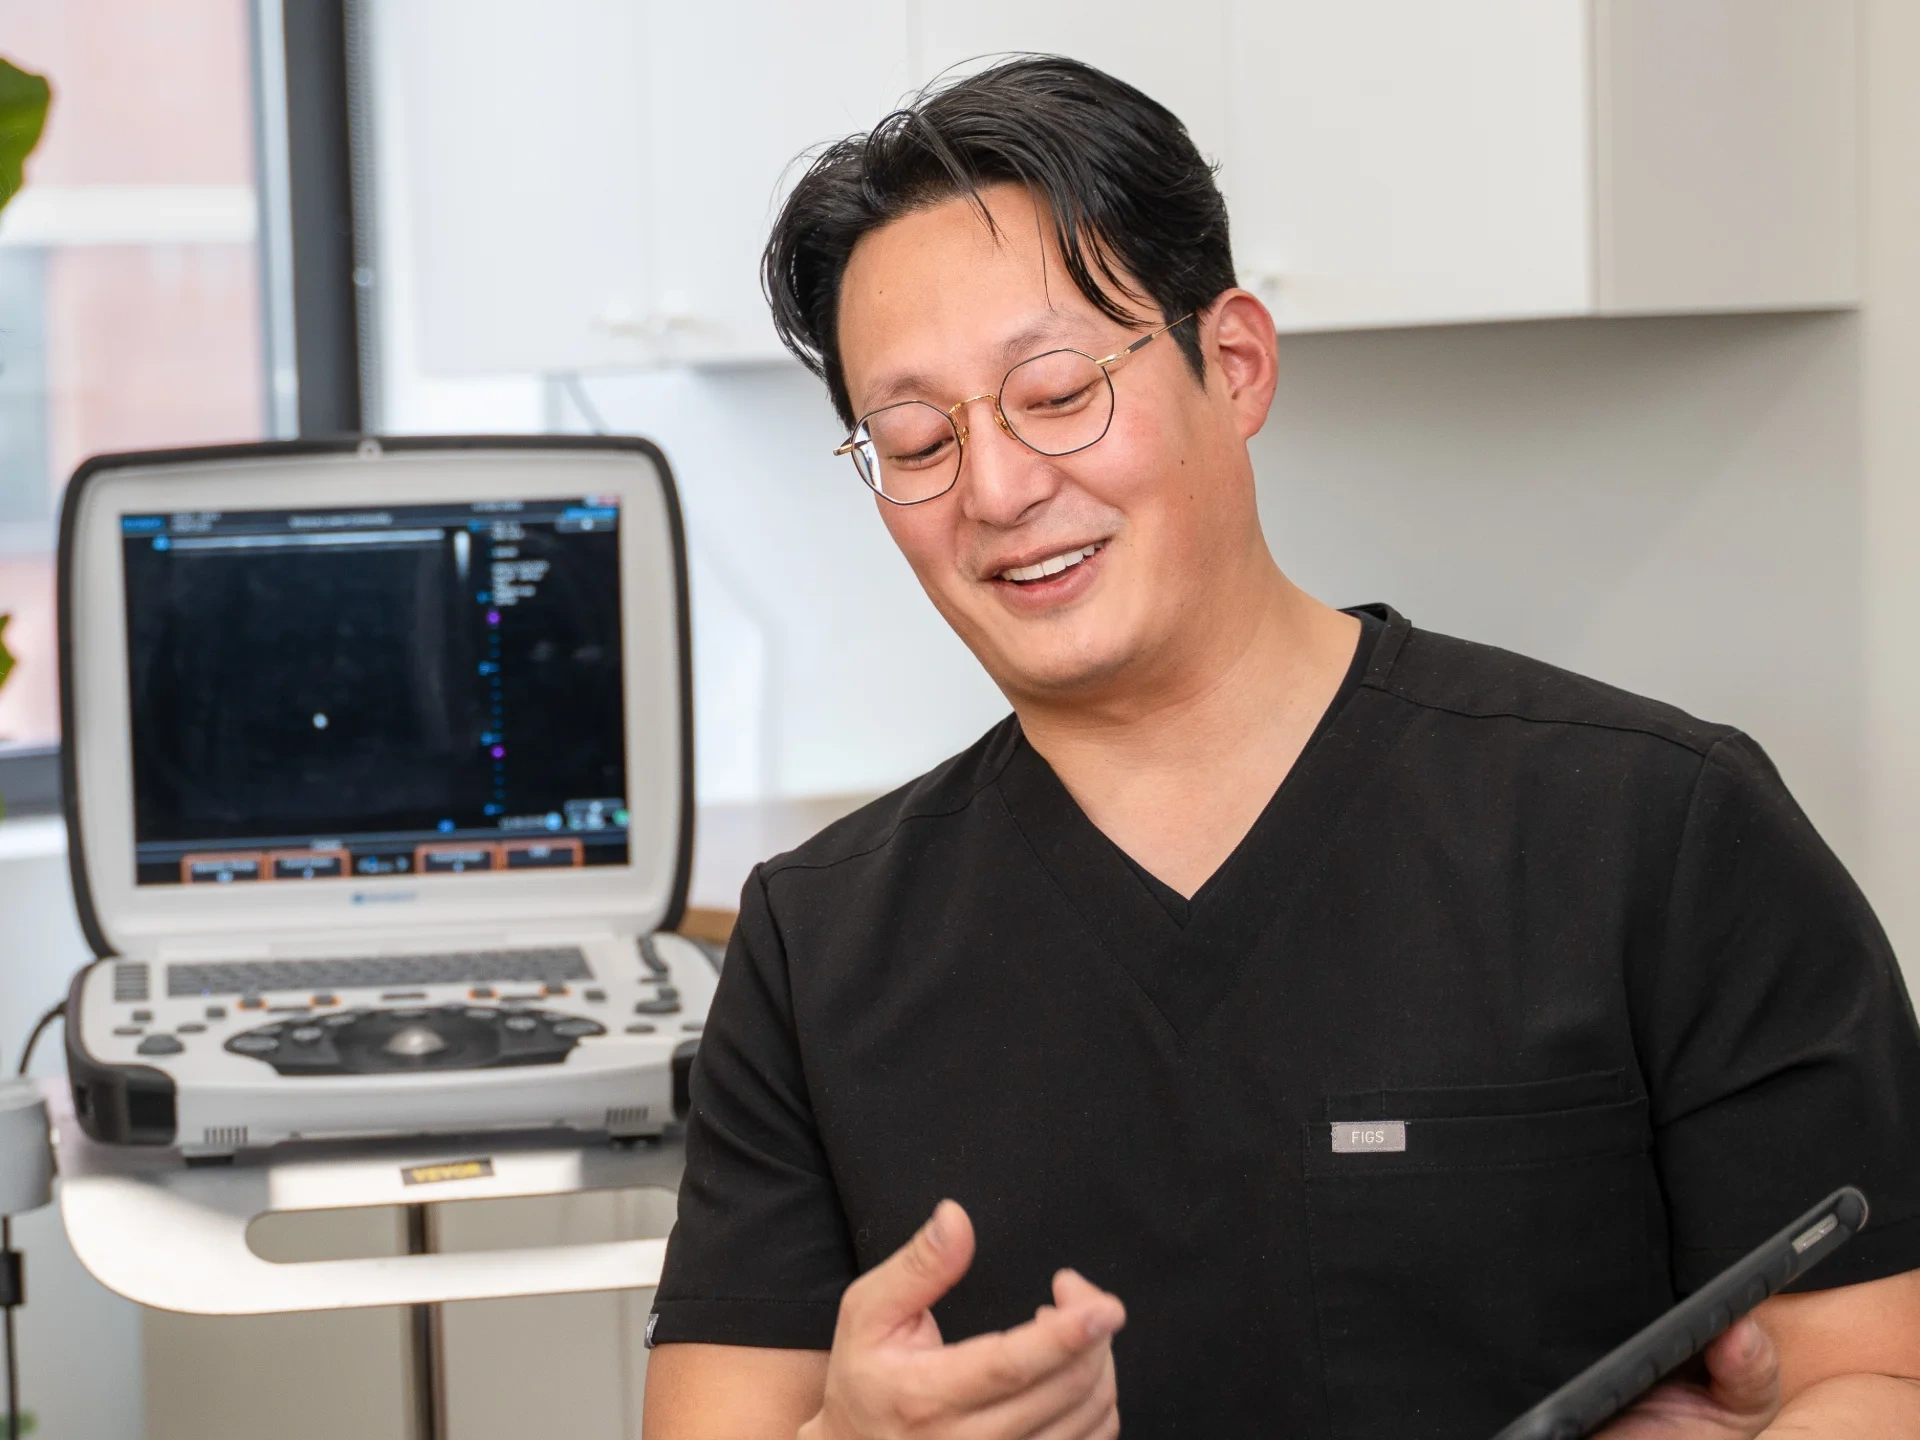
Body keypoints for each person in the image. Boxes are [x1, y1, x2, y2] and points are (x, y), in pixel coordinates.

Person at [642, 56, 1920, 1439]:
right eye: (912, 437)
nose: (999, 488)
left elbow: (1874, 1373)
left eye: (1058, 391)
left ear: (1234, 365)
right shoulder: (816, 946)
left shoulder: (1659, 835)